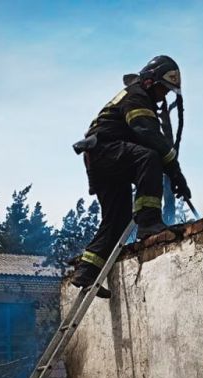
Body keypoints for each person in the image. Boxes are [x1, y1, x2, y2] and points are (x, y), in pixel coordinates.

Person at [71, 55, 191, 299]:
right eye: (162, 89)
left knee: (116, 219)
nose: (163, 96)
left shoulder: (137, 95)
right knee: (149, 157)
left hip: (101, 159)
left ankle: (86, 271)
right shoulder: (137, 96)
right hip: (106, 152)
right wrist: (176, 174)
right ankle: (149, 222)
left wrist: (174, 175)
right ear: (150, 81)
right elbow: (149, 135)